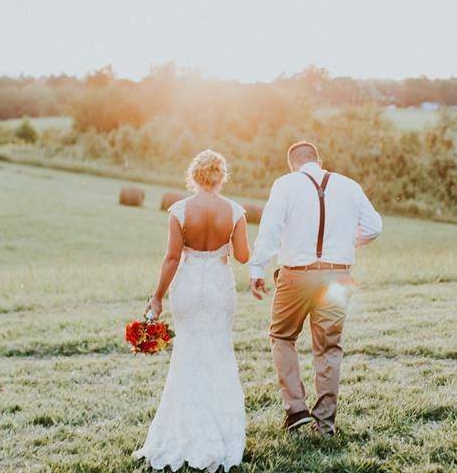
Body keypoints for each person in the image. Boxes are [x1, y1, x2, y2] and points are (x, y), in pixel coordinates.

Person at [249, 141, 382, 435]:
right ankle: (324, 424)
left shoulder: (285, 184)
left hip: (296, 275)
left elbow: (270, 229)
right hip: (337, 277)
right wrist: (346, 241)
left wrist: (257, 267)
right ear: (319, 160)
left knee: (282, 336)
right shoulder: (349, 185)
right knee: (329, 347)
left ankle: (296, 408)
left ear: (292, 164)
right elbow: (374, 226)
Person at [134, 150, 250, 472]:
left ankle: (181, 432)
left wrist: (156, 297)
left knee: (187, 353)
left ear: (195, 176)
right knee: (218, 350)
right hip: (218, 287)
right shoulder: (235, 211)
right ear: (220, 176)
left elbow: (172, 259)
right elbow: (242, 256)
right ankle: (221, 434)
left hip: (186, 287)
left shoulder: (180, 210)